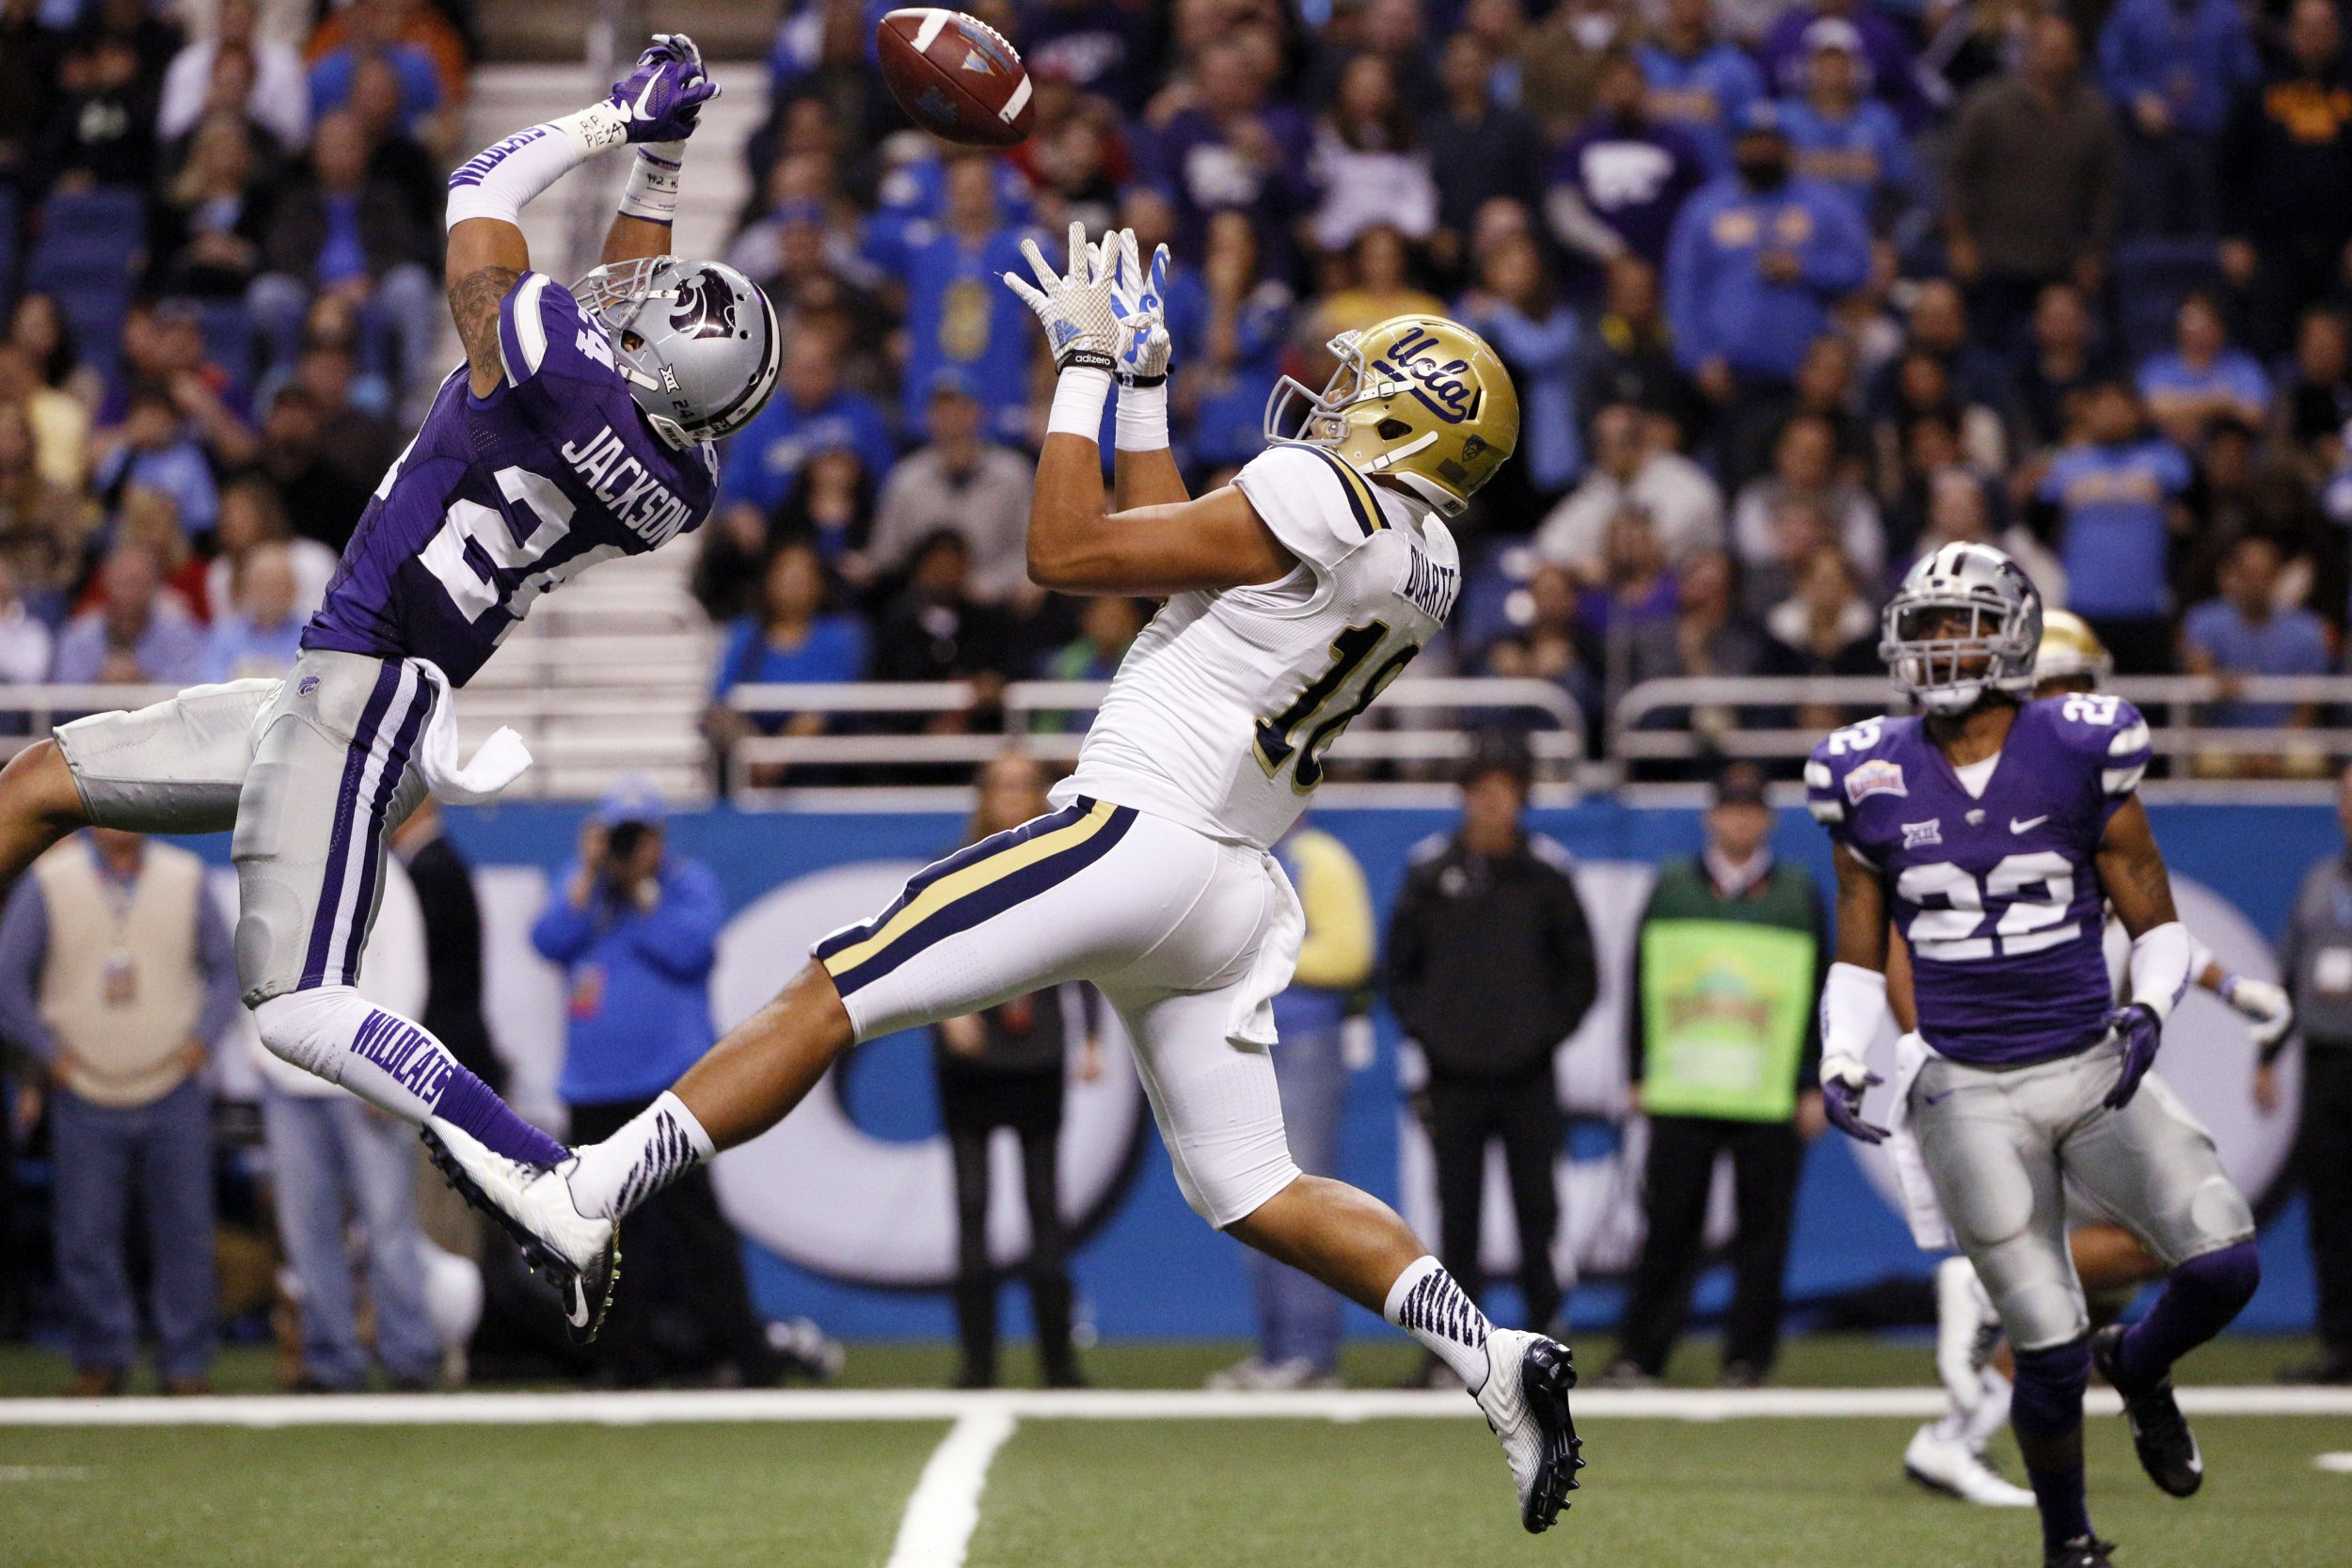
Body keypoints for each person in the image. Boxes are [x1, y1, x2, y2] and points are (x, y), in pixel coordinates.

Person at [442, 230, 1585, 1534]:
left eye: (1358, 387)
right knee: (1257, 1187)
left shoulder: (1326, 499)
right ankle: (1492, 1350)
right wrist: (1147, 391)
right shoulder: (1422, 561)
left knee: (835, 984)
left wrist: (1086, 372)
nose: (1327, 400)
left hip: (1137, 832)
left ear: (1406, 417)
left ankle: (591, 1194)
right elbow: (1170, 559)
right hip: (1224, 886)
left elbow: (1069, 548)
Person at [0, 36, 764, 1341]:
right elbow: (628, 289)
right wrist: (671, 154)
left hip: (370, 698)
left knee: (297, 1003)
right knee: (38, 784)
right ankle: (537, 1166)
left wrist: (609, 118)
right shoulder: (677, 485)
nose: (630, 306)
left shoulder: (546, 356)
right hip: (337, 684)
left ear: (647, 368)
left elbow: (480, 187)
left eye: (649, 324)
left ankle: (540, 1171)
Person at [1807, 543, 2263, 1568]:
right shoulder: (1863, 767)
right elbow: (1856, 933)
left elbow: (2152, 911)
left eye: (1961, 621)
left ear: (2012, 633)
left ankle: (2139, 1363)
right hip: (1966, 1086)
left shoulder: (2078, 741)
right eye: (1924, 625)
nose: (1938, 645)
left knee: (2225, 1261)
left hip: (2091, 1060)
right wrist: (1842, 1052)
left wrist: (2149, 1009)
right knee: (2046, 1352)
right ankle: (2070, 1545)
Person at [1890, 608, 2294, 1504]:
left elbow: (2129, 915)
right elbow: (1913, 936)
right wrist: (1923, 1054)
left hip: (2061, 1055)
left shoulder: (2053, 784)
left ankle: (1955, 1433)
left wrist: (2227, 988)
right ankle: (1981, 1294)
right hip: (2019, 1067)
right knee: (2159, 1244)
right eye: (2073, 688)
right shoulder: (1974, 785)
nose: (2085, 706)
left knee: (2108, 1284)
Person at [531, 780, 784, 1387]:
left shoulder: (683, 883)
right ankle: (625, 1357)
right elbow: (548, 940)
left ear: (659, 839)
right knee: (606, 1231)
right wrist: (590, 879)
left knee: (697, 1224)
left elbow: (692, 951)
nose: (629, 846)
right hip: (594, 1086)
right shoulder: (584, 885)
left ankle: (739, 1352)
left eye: (638, 835)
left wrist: (642, 890)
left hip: (672, 1084)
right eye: (620, 834)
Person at [1608, 761, 1825, 1388]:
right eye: (1730, 808)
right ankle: (1643, 1353)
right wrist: (1637, 1069)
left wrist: (1811, 1081)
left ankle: (1747, 1357)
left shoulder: (1796, 890)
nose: (1739, 819)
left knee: (1765, 1232)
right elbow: (1642, 981)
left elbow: (1816, 993)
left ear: (1768, 818)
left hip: (1768, 1087)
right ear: (1712, 816)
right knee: (1669, 1227)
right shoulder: (1672, 884)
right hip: (1683, 1085)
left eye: (1751, 808)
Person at [1385, 736, 1599, 1370]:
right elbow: (1398, 972)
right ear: (1464, 797)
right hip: (1453, 1078)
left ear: (1522, 797)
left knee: (1539, 1208)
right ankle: (1457, 1352)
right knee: (1457, 1214)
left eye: (1503, 790)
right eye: (1480, 791)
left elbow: (1581, 975)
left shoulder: (1547, 873)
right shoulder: (1429, 871)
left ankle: (1544, 1342)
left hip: (1529, 1075)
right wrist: (1438, 1038)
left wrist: (1539, 1035)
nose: (1491, 804)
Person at [0, 829, 239, 1394]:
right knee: (86, 1236)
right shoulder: (50, 880)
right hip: (83, 1086)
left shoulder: (184, 877)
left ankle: (185, 1364)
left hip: (173, 1086)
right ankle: (100, 1358)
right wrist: (45, 1051)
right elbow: (7, 978)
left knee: (185, 1233)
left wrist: (203, 1039)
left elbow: (227, 970)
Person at [932, 752, 1098, 1390]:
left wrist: (1091, 1036)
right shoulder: (953, 866)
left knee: (1043, 1207)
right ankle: (977, 1365)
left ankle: (1058, 1364)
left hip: (1036, 1055)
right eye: (999, 784)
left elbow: (1087, 947)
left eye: (1022, 784)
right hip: (970, 1057)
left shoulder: (1058, 861)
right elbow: (920, 946)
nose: (1010, 795)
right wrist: (945, 1013)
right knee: (971, 1205)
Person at [1212, 813, 1376, 1392]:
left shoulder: (1318, 857)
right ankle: (1281, 1349)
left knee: (1299, 1196)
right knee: (1253, 1199)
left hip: (1303, 1039)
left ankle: (1310, 1353)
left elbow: (1351, 954)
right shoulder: (1227, 854)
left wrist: (1256, 955)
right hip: (1242, 1038)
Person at [2265, 761, 2352, 1385]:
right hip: (2326, 1061)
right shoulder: (2321, 880)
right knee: (2330, 1205)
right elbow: (2288, 973)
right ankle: (2341, 1343)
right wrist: (2267, 1056)